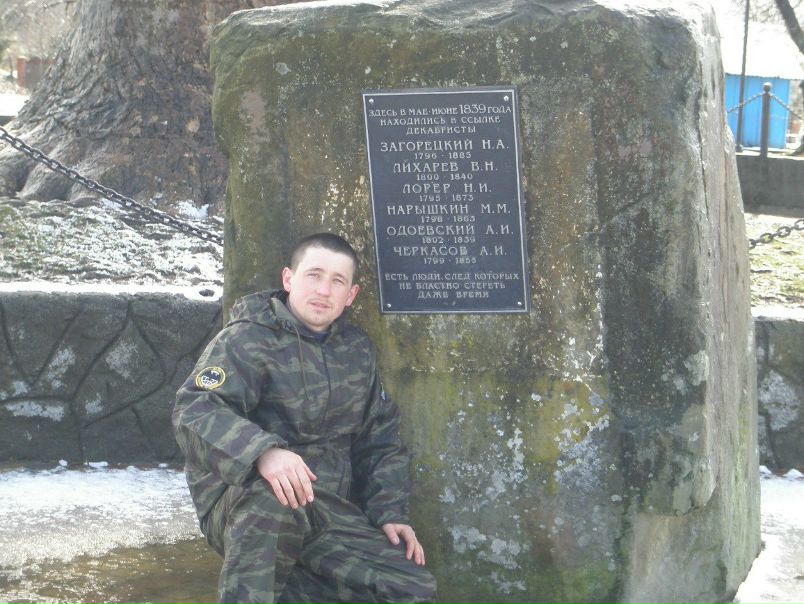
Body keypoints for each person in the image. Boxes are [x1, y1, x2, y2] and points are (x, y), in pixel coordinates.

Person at [173, 232, 437, 604]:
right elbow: (194, 410)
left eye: (337, 281)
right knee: (275, 496)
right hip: (248, 509)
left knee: (409, 587)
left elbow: (379, 439)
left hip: (327, 511)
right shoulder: (245, 340)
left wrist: (390, 511)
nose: (324, 290)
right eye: (314, 275)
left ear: (351, 295)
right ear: (288, 279)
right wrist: (263, 453)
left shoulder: (357, 351)